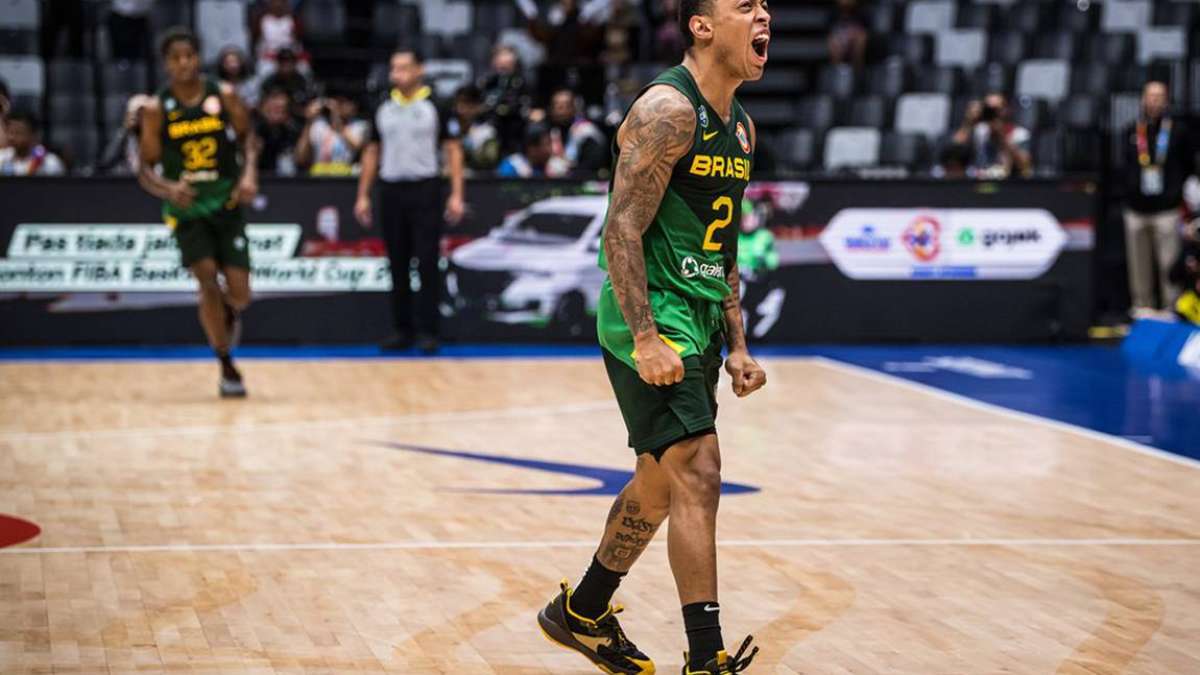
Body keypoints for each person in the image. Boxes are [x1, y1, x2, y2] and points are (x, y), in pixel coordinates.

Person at [535, 1, 770, 674]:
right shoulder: (667, 109)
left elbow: (719, 248)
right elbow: (620, 228)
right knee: (699, 467)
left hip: (695, 317)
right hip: (650, 318)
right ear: (701, 25)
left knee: (660, 483)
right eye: (744, 5)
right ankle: (706, 657)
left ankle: (581, 609)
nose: (764, 15)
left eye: (764, 5)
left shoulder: (743, 128)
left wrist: (739, 342)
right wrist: (644, 336)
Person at [137, 28, 259, 398]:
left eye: (189, 55)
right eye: (175, 57)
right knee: (205, 277)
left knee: (240, 293)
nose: (183, 63)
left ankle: (227, 312)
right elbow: (145, 169)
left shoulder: (222, 96)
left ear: (198, 58)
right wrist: (168, 188)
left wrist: (250, 172)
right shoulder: (158, 109)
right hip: (187, 206)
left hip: (226, 201)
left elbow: (249, 139)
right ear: (166, 63)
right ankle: (225, 363)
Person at [355, 48, 466, 354]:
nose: (397, 74)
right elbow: (371, 151)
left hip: (425, 189)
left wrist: (456, 194)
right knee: (397, 262)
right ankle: (401, 330)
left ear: (419, 70)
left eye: (404, 68)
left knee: (427, 261)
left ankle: (429, 332)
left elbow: (453, 149)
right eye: (394, 68)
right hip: (390, 189)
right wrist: (363, 194)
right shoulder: (382, 105)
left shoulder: (437, 105)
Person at [1123, 80, 1194, 319]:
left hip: (1167, 209)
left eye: (1159, 96)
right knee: (1138, 264)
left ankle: (1170, 309)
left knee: (1168, 264)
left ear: (1166, 100)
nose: (1154, 101)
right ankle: (1142, 308)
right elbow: (1124, 168)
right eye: (1150, 96)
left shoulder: (1179, 132)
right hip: (1136, 208)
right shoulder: (1132, 131)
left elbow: (1188, 166)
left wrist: (1175, 195)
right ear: (1143, 99)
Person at [952, 93, 1032, 179]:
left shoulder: (1020, 134)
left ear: (1006, 109)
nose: (993, 114)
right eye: (988, 109)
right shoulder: (980, 131)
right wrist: (969, 123)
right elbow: (955, 150)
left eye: (996, 109)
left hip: (1008, 182)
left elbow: (1024, 165)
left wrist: (1002, 137)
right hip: (978, 180)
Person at [295, 88, 368, 176]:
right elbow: (300, 157)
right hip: (319, 178)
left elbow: (357, 146)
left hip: (345, 179)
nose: (351, 106)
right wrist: (309, 121)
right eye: (341, 102)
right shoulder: (318, 124)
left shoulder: (359, 125)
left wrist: (338, 122)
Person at [478, 44, 532, 154]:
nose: (504, 71)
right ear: (494, 63)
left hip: (516, 130)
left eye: (508, 66)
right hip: (490, 128)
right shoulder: (486, 83)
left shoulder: (523, 84)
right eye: (501, 66)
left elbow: (527, 108)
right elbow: (479, 108)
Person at [546, 87, 608, 176]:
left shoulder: (586, 131)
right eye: (557, 106)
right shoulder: (549, 130)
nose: (560, 111)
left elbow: (593, 163)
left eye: (565, 106)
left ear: (574, 108)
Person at [450, 84, 501, 174]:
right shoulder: (449, 127)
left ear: (478, 106)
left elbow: (489, 160)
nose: (462, 108)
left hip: (477, 182)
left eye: (468, 103)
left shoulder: (487, 132)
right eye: (459, 102)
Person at [97, 93, 151, 175]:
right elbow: (107, 161)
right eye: (133, 113)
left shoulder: (159, 135)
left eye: (141, 114)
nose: (137, 118)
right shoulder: (124, 135)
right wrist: (124, 131)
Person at [0, 110, 66, 176]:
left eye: (18, 133)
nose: (12, 137)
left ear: (33, 135)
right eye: (10, 132)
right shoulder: (2, 157)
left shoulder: (50, 163)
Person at [255, 88, 301, 175]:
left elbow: (300, 158)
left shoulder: (292, 130)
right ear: (263, 107)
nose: (278, 113)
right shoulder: (254, 128)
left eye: (282, 109)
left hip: (285, 180)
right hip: (260, 177)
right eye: (274, 109)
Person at [258, 48, 312, 119]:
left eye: (289, 61)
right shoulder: (269, 82)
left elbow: (309, 105)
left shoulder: (302, 81)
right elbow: (262, 106)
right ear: (277, 63)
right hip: (272, 119)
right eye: (282, 61)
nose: (286, 64)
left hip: (298, 119)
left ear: (295, 63)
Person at [497, 122, 566, 178]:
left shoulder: (557, 167)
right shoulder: (512, 166)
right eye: (547, 144)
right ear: (532, 148)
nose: (551, 149)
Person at [827, 0, 867, 70]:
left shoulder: (862, 14)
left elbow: (864, 32)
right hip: (840, 41)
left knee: (861, 40)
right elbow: (830, 33)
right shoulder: (833, 14)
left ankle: (857, 71)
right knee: (833, 43)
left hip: (855, 41)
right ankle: (837, 71)